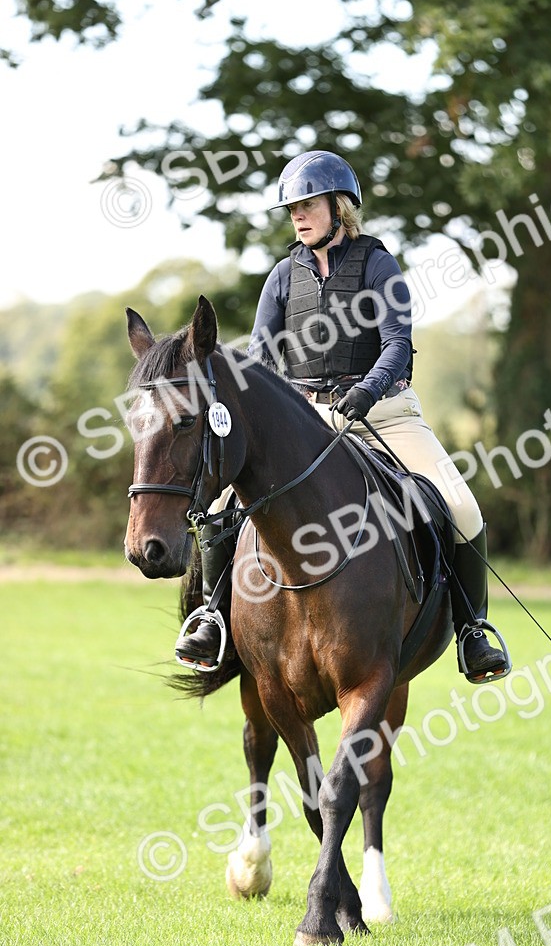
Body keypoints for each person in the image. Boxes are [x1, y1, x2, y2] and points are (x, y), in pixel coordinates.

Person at [176, 150, 510, 682]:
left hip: (386, 412)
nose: (298, 216)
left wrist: (367, 391)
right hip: (305, 417)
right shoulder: (282, 276)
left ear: (339, 207)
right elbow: (262, 358)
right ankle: (213, 617)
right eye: (293, 209)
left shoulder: (378, 264)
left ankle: (473, 629)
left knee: (461, 506)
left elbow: (397, 345)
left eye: (308, 205)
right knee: (220, 506)